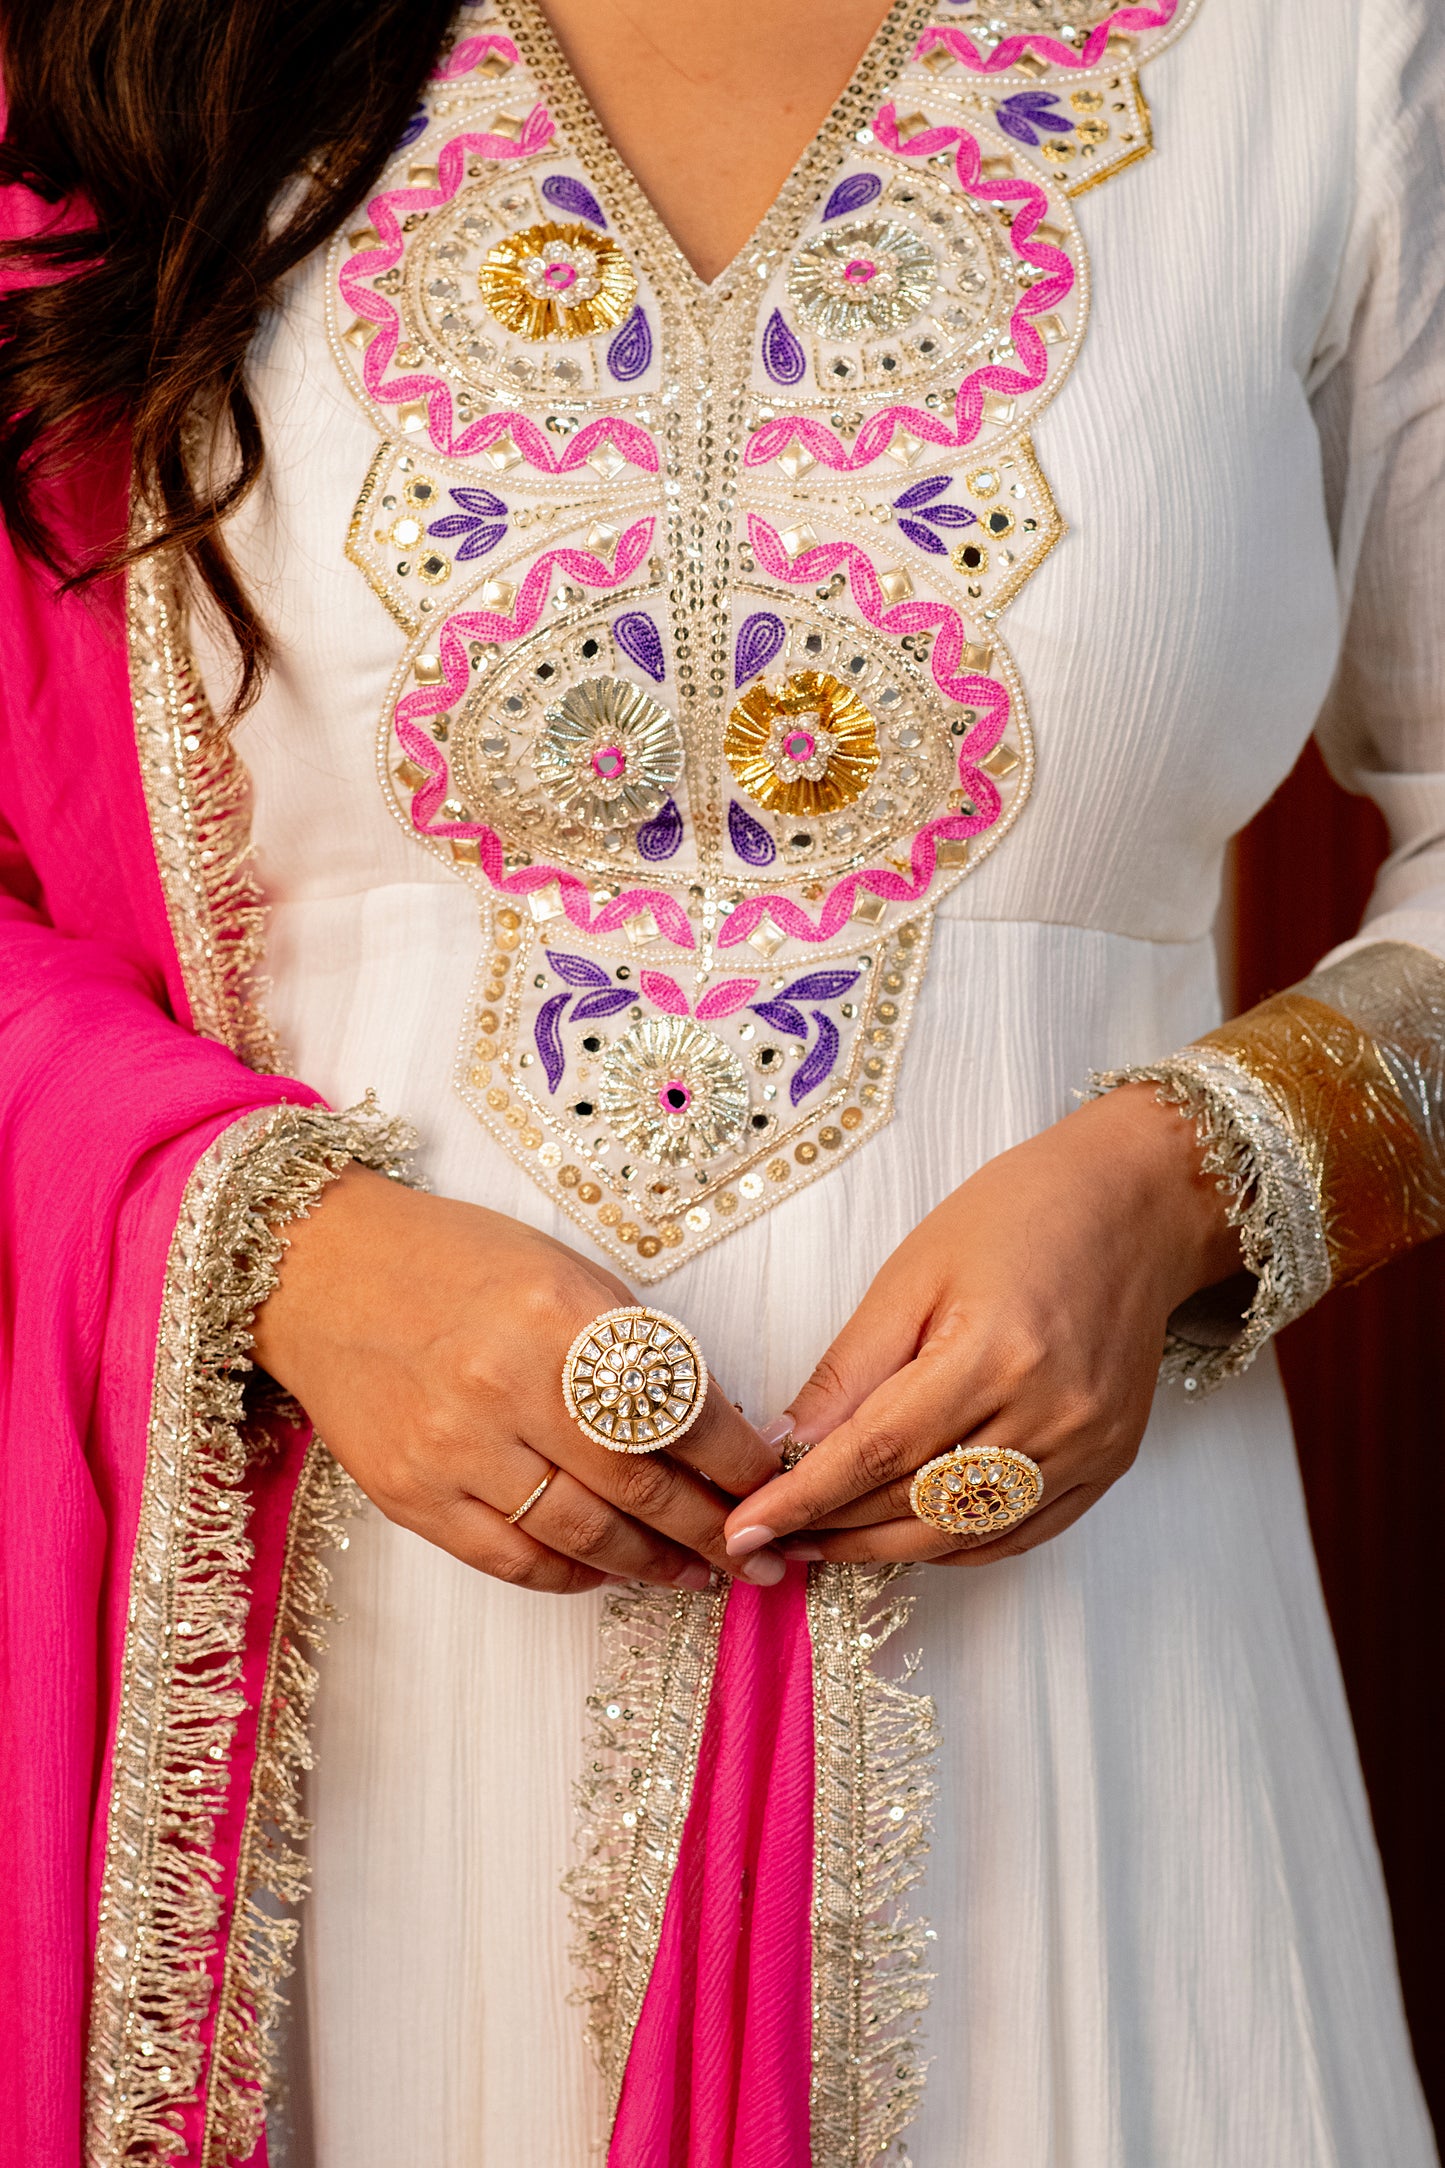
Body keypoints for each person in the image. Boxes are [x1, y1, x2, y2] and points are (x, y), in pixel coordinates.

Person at [2, 0, 1442, 2160]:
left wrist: (1190, 1181)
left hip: (1101, 1683)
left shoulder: (1326, 49)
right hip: (344, 1719)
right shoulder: (141, 70)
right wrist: (291, 1250)